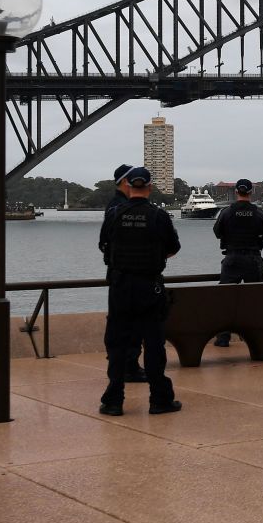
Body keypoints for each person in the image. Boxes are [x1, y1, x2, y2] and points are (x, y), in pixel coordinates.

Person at [98, 167, 182, 416]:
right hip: (150, 286)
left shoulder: (114, 214)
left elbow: (104, 246)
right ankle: (159, 399)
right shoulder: (158, 216)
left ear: (128, 186)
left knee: (117, 344)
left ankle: (114, 400)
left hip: (120, 287)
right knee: (154, 343)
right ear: (149, 187)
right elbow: (173, 248)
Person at [212, 178, 263, 347]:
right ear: (251, 192)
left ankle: (223, 338)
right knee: (254, 300)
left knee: (225, 299)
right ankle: (253, 338)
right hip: (253, 260)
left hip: (231, 259)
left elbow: (217, 232)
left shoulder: (226, 212)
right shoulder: (260, 213)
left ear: (236, 192)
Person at [100, 163, 146, 382]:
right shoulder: (123, 208)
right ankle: (129, 366)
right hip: (136, 276)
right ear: (126, 182)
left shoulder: (114, 208)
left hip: (118, 274)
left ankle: (123, 366)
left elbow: (103, 242)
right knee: (133, 323)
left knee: (119, 322)